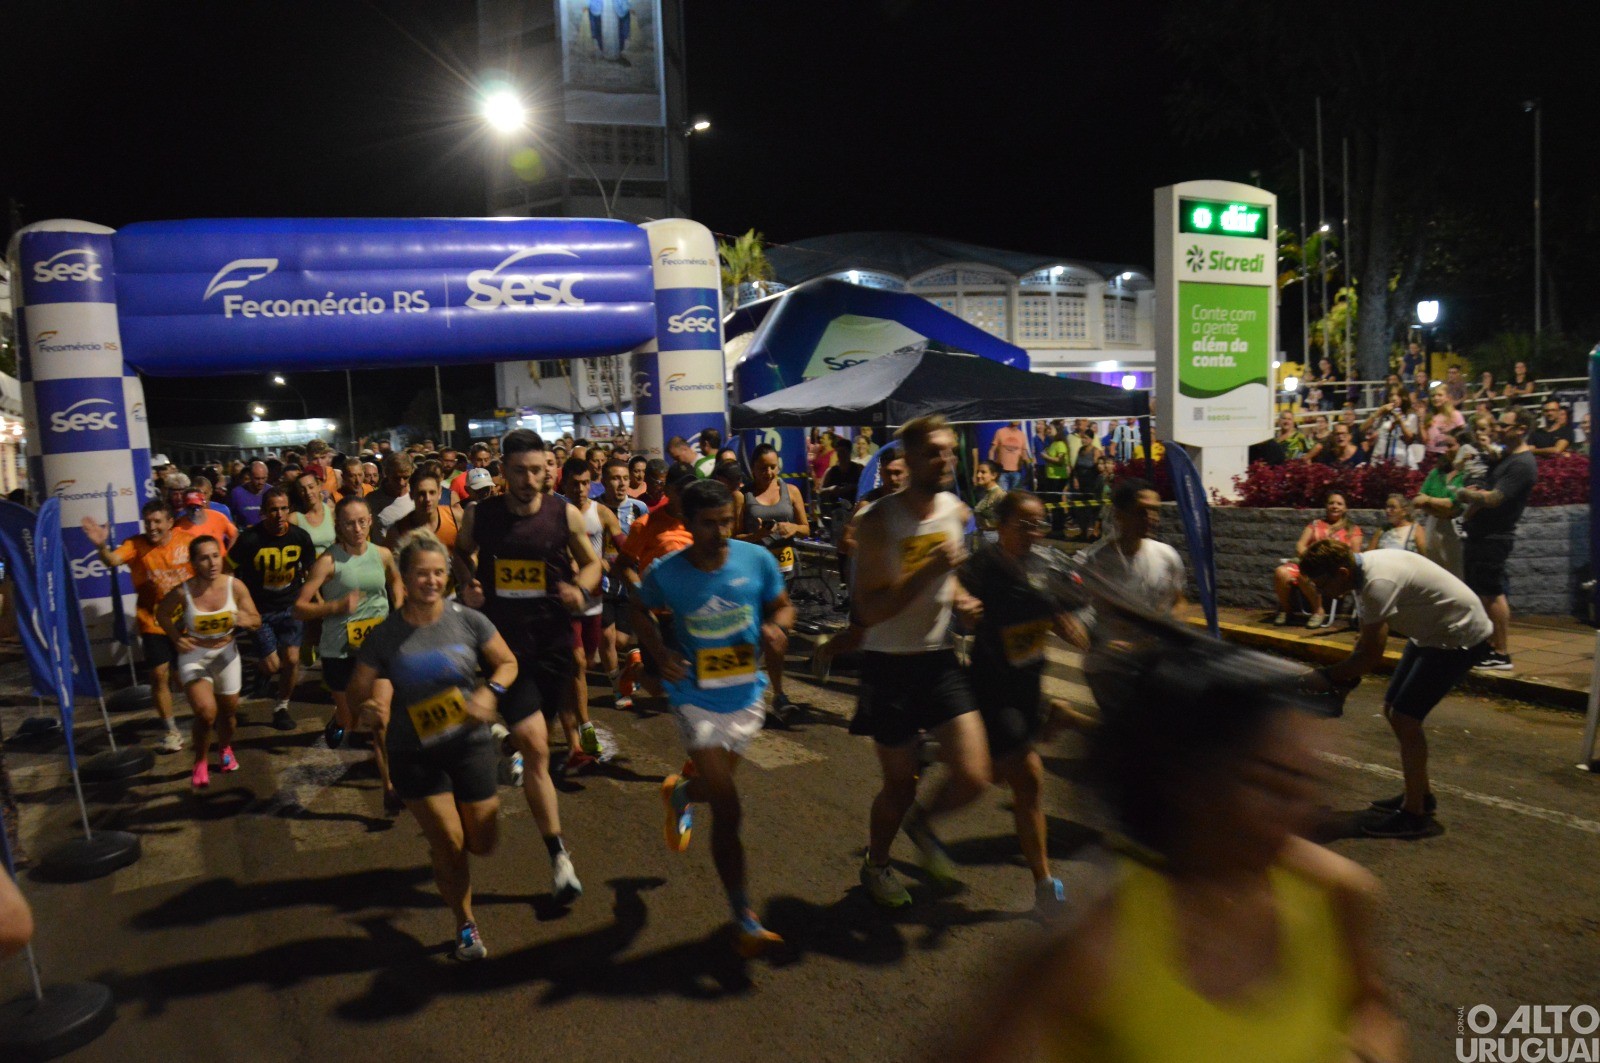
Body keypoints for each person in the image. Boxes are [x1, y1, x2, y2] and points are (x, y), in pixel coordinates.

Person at [944, 628, 1403, 1062]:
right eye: (1273, 785)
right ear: (1193, 785)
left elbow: (1369, 1009)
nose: (1308, 810)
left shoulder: (1337, 895)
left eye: (1310, 782)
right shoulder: (1097, 942)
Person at [633, 478, 795, 957]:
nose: (719, 532)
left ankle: (682, 791)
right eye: (708, 524)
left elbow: (782, 606)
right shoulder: (668, 571)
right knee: (728, 805)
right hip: (694, 696)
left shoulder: (757, 560)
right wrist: (659, 652)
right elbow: (638, 609)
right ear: (687, 523)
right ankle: (744, 915)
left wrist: (776, 629)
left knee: (713, 787)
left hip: (745, 694)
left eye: (726, 521)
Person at [348, 536, 516, 961]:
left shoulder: (468, 620)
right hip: (415, 754)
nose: (431, 580)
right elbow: (358, 693)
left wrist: (490, 692)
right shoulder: (385, 636)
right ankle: (465, 925)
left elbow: (507, 663)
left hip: (470, 745)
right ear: (404, 578)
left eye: (438, 572)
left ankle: (448, 852)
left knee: (483, 843)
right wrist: (367, 707)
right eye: (421, 572)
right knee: (451, 844)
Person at [453, 429, 600, 904]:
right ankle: (559, 856)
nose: (530, 479)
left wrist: (582, 589)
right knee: (538, 749)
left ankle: (503, 740)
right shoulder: (483, 515)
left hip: (553, 643)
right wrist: (469, 584)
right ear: (503, 472)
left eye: (538, 470)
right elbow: (460, 552)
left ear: (549, 470)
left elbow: (593, 564)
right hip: (505, 649)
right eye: (520, 470)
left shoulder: (565, 514)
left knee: (540, 737)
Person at [850, 414, 989, 908]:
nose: (946, 459)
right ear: (906, 460)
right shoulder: (879, 522)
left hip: (939, 658)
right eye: (934, 451)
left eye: (949, 450)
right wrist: (928, 570)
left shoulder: (956, 510)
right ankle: (877, 865)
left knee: (975, 773)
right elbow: (869, 609)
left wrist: (961, 598)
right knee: (899, 785)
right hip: (890, 664)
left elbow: (947, 579)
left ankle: (924, 827)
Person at [1301, 539, 1493, 838]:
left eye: (1320, 583)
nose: (1319, 591)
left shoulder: (1377, 582)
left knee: (1406, 718)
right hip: (1432, 632)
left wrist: (1321, 677)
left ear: (1341, 572)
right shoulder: (1362, 573)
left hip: (1459, 636)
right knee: (1392, 710)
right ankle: (1421, 797)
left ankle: (1415, 817)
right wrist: (1344, 680)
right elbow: (1367, 641)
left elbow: (1369, 656)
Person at [955, 491, 1083, 909]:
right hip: (993, 688)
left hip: (1030, 686)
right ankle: (1045, 884)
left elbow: (1061, 606)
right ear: (1000, 525)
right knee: (1028, 780)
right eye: (1024, 524)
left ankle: (932, 766)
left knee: (989, 774)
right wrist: (965, 609)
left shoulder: (1044, 567)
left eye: (1038, 524)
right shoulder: (982, 566)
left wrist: (1065, 623)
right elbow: (955, 598)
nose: (1033, 532)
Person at [295, 495, 404, 800]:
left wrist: (398, 606)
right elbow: (299, 608)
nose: (356, 529)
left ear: (370, 521)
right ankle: (339, 717)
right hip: (340, 651)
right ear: (338, 527)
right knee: (352, 722)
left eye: (361, 522)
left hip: (378, 649)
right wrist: (335, 606)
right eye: (348, 523)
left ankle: (390, 788)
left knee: (381, 718)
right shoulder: (328, 562)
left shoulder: (382, 554)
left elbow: (395, 579)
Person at [81, 500, 194, 752]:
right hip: (152, 621)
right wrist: (101, 545)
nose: (152, 527)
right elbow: (111, 560)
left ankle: (206, 714)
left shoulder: (187, 541)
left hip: (186, 623)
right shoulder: (136, 544)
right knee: (158, 675)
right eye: (148, 522)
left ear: (169, 523)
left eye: (157, 522)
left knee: (186, 677)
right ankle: (171, 730)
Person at [158, 535, 263, 789]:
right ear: (194, 563)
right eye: (204, 558)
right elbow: (162, 613)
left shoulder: (234, 586)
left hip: (226, 654)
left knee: (228, 714)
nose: (212, 562)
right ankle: (200, 760)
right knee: (206, 713)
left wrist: (243, 620)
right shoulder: (184, 591)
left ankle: (225, 747)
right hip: (195, 655)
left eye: (215, 556)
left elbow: (256, 619)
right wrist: (175, 638)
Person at [228, 486, 315, 730]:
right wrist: (235, 602)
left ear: (289, 510)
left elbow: (311, 570)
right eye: (273, 510)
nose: (279, 515)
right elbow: (227, 568)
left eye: (283, 509)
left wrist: (313, 600)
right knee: (272, 665)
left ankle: (282, 707)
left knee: (292, 658)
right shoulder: (249, 539)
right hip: (259, 611)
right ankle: (263, 670)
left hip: (290, 606)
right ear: (263, 512)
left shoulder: (300, 537)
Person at [1457, 407, 1538, 672]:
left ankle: (1502, 653)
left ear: (1520, 430)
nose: (1498, 429)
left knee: (1492, 593)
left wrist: (1465, 495)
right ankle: (1490, 646)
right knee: (1482, 592)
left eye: (1504, 425)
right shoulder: (1506, 456)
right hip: (1481, 534)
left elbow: (1494, 499)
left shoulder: (1522, 464)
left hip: (1495, 536)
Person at [612, 463, 699, 709]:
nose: (686, 492)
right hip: (657, 613)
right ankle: (636, 668)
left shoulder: (699, 522)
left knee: (690, 672)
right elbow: (623, 565)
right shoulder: (646, 524)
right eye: (681, 487)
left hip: (690, 611)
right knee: (657, 687)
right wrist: (641, 592)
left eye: (691, 487)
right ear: (668, 489)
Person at [738, 444, 810, 722]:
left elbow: (806, 526)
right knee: (757, 637)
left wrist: (793, 528)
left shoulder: (791, 491)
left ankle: (778, 695)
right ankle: (746, 692)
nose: (768, 472)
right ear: (752, 469)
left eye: (773, 466)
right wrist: (756, 536)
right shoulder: (743, 497)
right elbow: (731, 537)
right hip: (752, 575)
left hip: (785, 572)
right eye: (762, 468)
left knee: (776, 635)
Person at [559, 457, 621, 770]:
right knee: (578, 662)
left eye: (585, 483)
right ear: (565, 484)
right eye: (575, 483)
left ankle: (575, 719)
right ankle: (584, 727)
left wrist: (609, 561)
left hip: (595, 601)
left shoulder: (602, 513)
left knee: (589, 660)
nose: (581, 489)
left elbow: (620, 546)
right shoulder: (558, 515)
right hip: (567, 602)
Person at [1077, 478, 1186, 618]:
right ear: (1119, 514)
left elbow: (1179, 601)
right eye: (1141, 511)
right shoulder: (1095, 562)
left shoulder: (1168, 556)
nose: (1151, 517)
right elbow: (1082, 610)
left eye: (1155, 510)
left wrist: (1171, 625)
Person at [597, 458, 649, 701]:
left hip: (629, 581)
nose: (621, 484)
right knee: (606, 636)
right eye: (615, 478)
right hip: (602, 582)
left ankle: (630, 666)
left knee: (622, 640)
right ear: (604, 481)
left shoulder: (639, 508)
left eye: (625, 479)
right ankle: (618, 685)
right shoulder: (593, 508)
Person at [1271, 492, 1363, 627]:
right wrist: (1313, 559)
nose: (1334, 506)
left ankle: (1318, 611)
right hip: (1310, 563)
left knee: (1305, 573)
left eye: (1339, 503)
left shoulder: (1352, 530)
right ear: (1326, 506)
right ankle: (1286, 610)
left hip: (1333, 569)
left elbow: (1355, 554)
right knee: (1281, 572)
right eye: (1331, 503)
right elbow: (1300, 545)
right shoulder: (1315, 524)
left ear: (1345, 508)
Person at [1412, 431, 1469, 578]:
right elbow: (1418, 499)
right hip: (1434, 524)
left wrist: (1430, 500)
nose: (1446, 450)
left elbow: (1453, 505)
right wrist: (1439, 507)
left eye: (1451, 446)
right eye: (1445, 446)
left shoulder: (1469, 474)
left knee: (1456, 572)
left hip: (1454, 527)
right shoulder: (1437, 472)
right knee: (1435, 571)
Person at [384, 469, 461, 552]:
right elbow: (388, 562)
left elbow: (471, 552)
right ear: (411, 495)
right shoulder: (399, 530)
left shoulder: (455, 518)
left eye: (432, 492)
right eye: (421, 494)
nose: (427, 499)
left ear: (439, 494)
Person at [1361, 389, 1420, 468]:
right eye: (1391, 395)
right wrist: (1380, 410)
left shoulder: (1410, 416)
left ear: (1403, 397)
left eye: (1398, 395)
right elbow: (1362, 428)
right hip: (1379, 461)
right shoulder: (1382, 416)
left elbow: (1410, 439)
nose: (1394, 398)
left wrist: (1400, 421)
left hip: (1401, 462)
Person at [366, 452, 416, 540]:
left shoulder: (418, 497)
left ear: (412, 471)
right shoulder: (371, 500)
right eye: (396, 478)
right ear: (386, 473)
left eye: (406, 477)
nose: (401, 483)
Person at [291, 469, 336, 555]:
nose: (308, 492)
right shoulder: (294, 518)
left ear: (319, 486)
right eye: (302, 489)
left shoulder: (331, 510)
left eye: (311, 487)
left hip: (330, 565)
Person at [988, 420, 1032, 491]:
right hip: (1002, 472)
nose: (1016, 420)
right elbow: (991, 451)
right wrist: (991, 467)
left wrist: (1028, 470)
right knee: (1002, 497)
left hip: (1017, 472)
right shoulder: (1000, 432)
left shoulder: (1022, 435)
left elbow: (1024, 454)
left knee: (1015, 498)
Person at [1424, 390, 1466, 457]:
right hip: (1431, 455)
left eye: (1440, 395)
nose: (1436, 398)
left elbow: (1464, 435)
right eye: (1433, 396)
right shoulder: (1429, 417)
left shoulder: (1455, 414)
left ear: (1447, 397)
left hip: (1449, 455)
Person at [229, 461, 271, 527]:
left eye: (263, 478)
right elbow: (231, 517)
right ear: (250, 476)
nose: (261, 482)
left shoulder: (271, 492)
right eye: (257, 479)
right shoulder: (237, 493)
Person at [970, 461, 1006, 537]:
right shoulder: (984, 493)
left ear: (994, 475)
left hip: (993, 536)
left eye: (983, 472)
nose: (978, 475)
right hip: (983, 534)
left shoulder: (1000, 495)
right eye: (978, 472)